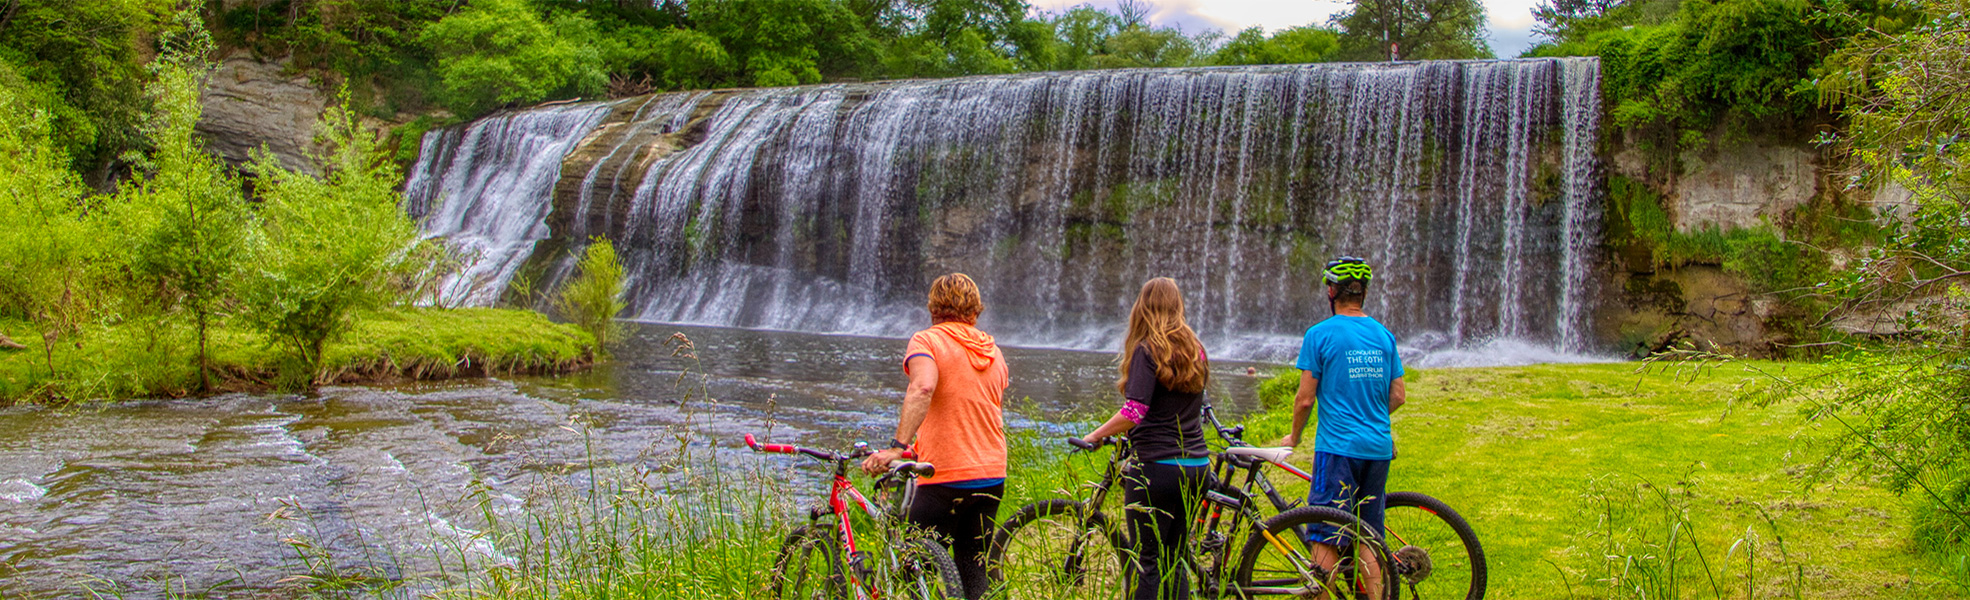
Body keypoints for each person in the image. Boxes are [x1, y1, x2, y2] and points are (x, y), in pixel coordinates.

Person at [862, 273, 1009, 600]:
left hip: (944, 476)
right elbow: (970, 411)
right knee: (973, 571)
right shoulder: (994, 352)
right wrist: (918, 447)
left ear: (934, 307)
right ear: (974, 309)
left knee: (911, 575)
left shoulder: (927, 341)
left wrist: (898, 448)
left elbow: (923, 387)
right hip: (991, 474)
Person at [1279, 256, 1406, 597]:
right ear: (1363, 293)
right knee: (1367, 533)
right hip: (1377, 448)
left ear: (1332, 292)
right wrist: (1374, 418)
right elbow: (1398, 395)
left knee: (1324, 532)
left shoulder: (1319, 334)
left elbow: (1305, 399)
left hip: (1338, 449)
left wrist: (1294, 436)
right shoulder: (1384, 335)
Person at [1078, 277, 1212, 600]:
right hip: (1197, 467)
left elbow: (1134, 411)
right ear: (1178, 305)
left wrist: (1096, 435)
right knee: (1174, 560)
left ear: (1143, 307)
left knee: (1146, 563)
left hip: (1156, 469)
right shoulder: (1197, 350)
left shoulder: (1147, 349)